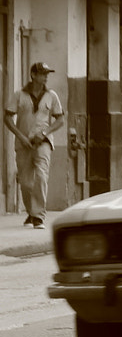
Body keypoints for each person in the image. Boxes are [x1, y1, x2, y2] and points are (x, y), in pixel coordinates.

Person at [4, 62, 64, 228]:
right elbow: (7, 118)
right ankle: (31, 213)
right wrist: (20, 136)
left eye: (47, 74)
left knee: (41, 176)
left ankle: (38, 216)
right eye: (42, 73)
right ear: (33, 75)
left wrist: (45, 133)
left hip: (43, 142)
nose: (45, 77)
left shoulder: (51, 96)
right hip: (23, 143)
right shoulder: (19, 95)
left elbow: (60, 119)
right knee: (25, 181)